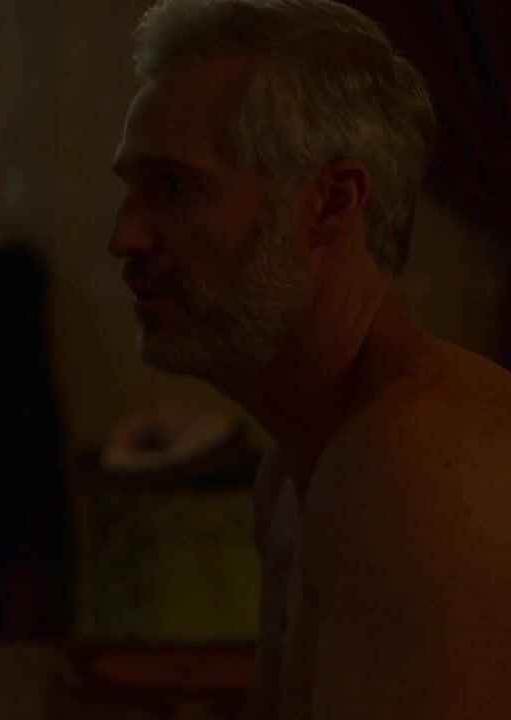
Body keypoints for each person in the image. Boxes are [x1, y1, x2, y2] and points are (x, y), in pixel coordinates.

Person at [109, 0, 511, 717]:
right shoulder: (297, 467)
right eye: (131, 188)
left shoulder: (414, 465)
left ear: (331, 202)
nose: (126, 236)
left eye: (174, 186)